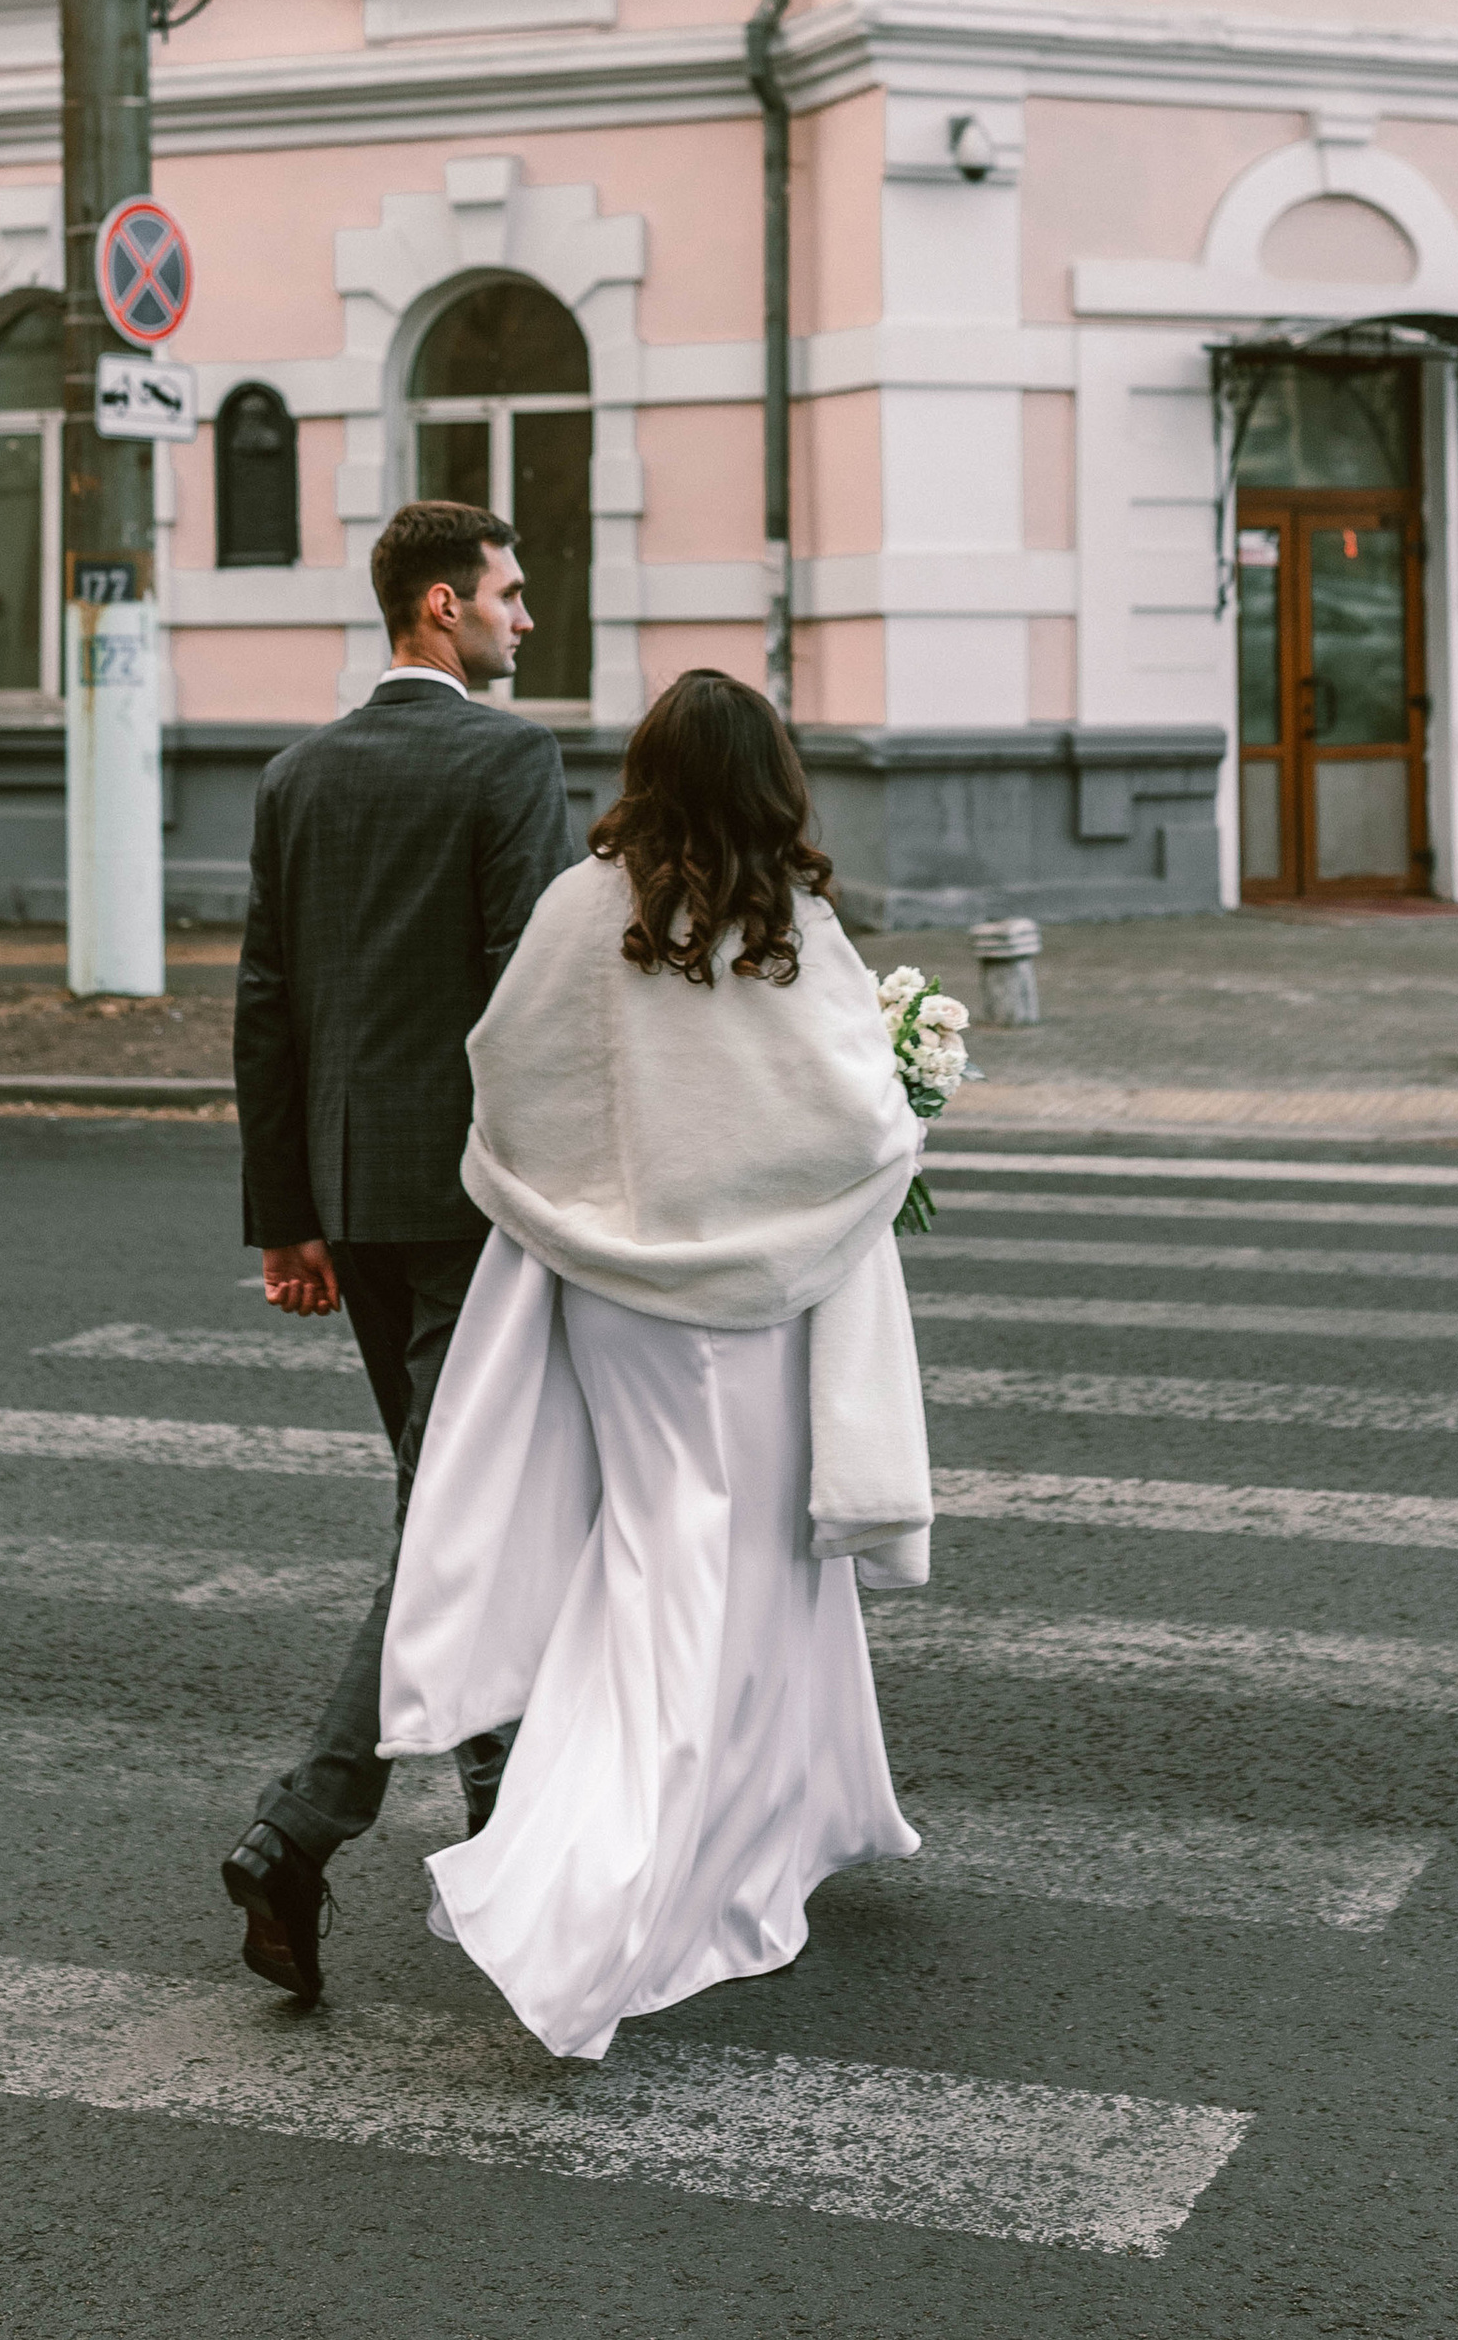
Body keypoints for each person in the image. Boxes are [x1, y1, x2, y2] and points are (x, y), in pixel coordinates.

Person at [375, 668, 934, 2063]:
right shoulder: (786, 924)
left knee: (654, 1559)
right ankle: (608, 1891)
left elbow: (501, 1068)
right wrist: (905, 1110)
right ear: (771, 777)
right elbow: (859, 1116)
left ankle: (768, 1828)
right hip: (751, 1306)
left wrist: (582, 1195)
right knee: (733, 1578)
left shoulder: (585, 908)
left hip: (609, 1297)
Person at [219, 497, 575, 2007]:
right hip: (479, 1201)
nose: (524, 618)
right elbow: (531, 994)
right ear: (441, 606)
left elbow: (266, 1002)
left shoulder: (299, 774)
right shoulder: (511, 760)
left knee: (460, 1503)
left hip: (357, 1197)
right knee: (455, 1514)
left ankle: (500, 1812)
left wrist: (285, 1214)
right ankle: (301, 1827)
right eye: (507, 591)